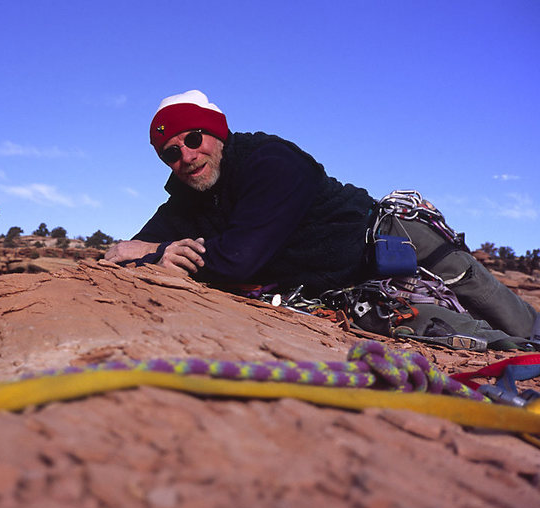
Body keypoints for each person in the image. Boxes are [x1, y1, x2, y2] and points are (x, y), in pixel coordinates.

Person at [105, 90, 538, 340]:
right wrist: (155, 251)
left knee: (510, 316)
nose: (186, 156)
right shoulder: (186, 196)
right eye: (171, 153)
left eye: (194, 138)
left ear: (217, 133)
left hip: (391, 241)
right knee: (474, 338)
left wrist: (159, 251)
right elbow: (123, 253)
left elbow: (240, 259)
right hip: (349, 290)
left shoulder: (270, 162)